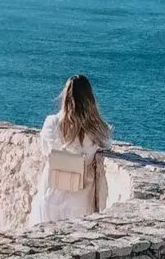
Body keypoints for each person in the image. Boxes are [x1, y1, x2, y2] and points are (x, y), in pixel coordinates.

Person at [29, 74, 111, 226]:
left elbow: (47, 151)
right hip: (81, 196)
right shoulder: (97, 130)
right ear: (90, 99)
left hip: (53, 190)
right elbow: (107, 144)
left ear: (65, 96)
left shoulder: (52, 123)